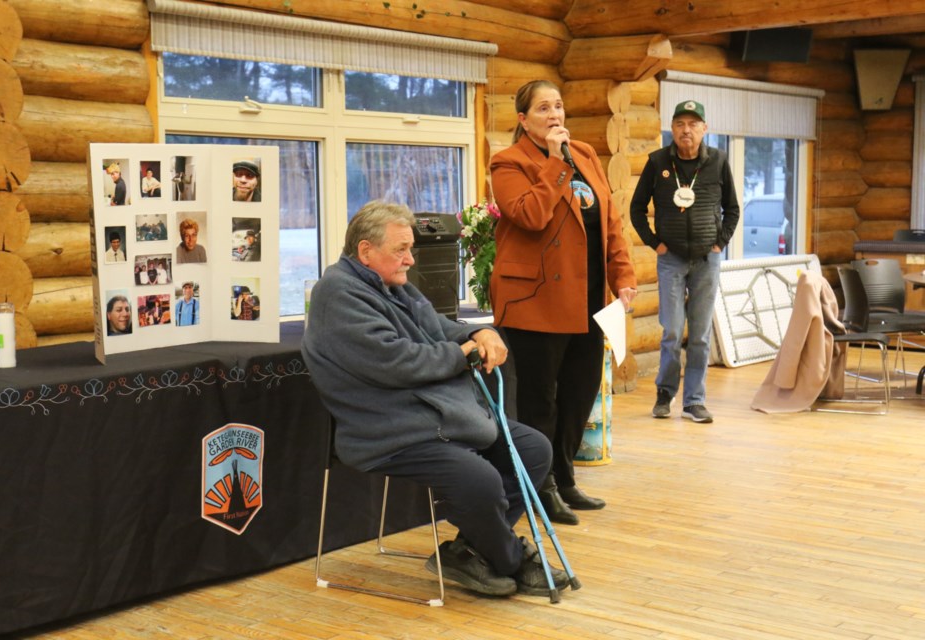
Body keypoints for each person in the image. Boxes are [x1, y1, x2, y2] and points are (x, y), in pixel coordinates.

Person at [302, 200, 568, 598]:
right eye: (401, 250)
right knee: (480, 480)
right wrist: (460, 356)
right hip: (385, 430)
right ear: (365, 251)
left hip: (429, 416)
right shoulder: (338, 294)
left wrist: (474, 334)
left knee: (532, 450)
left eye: (410, 249)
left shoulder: (391, 283)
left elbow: (436, 324)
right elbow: (395, 362)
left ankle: (470, 551)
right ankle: (510, 557)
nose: (410, 259)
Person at [489, 80, 638, 526]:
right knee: (540, 401)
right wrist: (555, 162)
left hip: (589, 299)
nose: (554, 115)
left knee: (579, 393)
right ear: (523, 119)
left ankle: (565, 476)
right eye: (542, 109)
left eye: (558, 106)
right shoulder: (508, 162)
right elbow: (531, 215)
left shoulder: (587, 155)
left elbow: (609, 220)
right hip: (535, 301)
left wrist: (623, 277)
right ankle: (540, 488)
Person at [629, 99, 740, 424]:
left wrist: (721, 243)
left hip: (708, 259)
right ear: (672, 129)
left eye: (693, 124)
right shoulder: (658, 161)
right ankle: (665, 395)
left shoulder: (718, 161)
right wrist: (654, 243)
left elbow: (732, 208)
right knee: (672, 331)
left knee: (701, 335)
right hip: (671, 260)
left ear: (705, 129)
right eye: (680, 124)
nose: (686, 130)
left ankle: (694, 402)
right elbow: (637, 209)